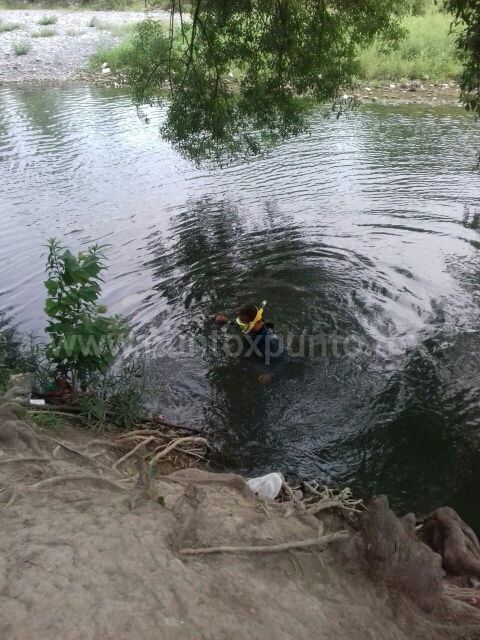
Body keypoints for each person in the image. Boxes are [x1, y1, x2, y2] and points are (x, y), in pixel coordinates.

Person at [214, 303, 284, 382]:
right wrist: (227, 321)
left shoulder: (268, 340)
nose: (242, 328)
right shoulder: (253, 329)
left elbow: (282, 359)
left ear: (254, 324)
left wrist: (268, 373)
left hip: (259, 362)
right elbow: (242, 326)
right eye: (240, 323)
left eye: (243, 326)